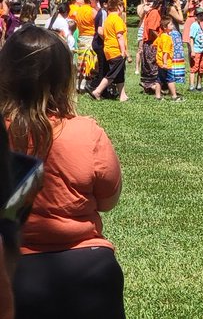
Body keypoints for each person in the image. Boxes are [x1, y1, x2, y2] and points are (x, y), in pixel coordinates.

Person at [0, 27, 125, 318]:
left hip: (13, 268)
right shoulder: (87, 132)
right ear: (64, 79)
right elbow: (108, 200)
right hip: (88, 268)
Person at [90, 0, 128, 102]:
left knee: (119, 73)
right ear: (119, 7)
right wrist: (123, 51)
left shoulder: (107, 19)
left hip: (108, 49)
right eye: (122, 7)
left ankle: (122, 95)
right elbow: (120, 36)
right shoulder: (117, 19)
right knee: (112, 73)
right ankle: (97, 91)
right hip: (116, 50)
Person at [153, 17, 185, 102]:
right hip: (166, 63)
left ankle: (158, 96)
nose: (172, 25)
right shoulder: (167, 38)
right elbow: (165, 52)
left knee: (159, 79)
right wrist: (165, 63)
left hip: (159, 62)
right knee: (171, 79)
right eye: (170, 24)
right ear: (165, 27)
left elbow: (155, 44)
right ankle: (174, 96)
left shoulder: (161, 35)